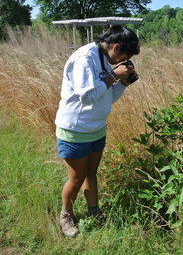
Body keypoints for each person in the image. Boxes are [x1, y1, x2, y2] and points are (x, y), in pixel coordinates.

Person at [54, 25, 140, 237]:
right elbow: (88, 95)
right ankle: (66, 215)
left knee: (91, 174)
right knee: (76, 178)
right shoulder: (85, 58)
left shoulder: (104, 58)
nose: (121, 62)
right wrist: (115, 75)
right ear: (116, 46)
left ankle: (94, 212)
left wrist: (123, 84)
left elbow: (107, 96)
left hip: (96, 128)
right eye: (123, 57)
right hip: (75, 129)